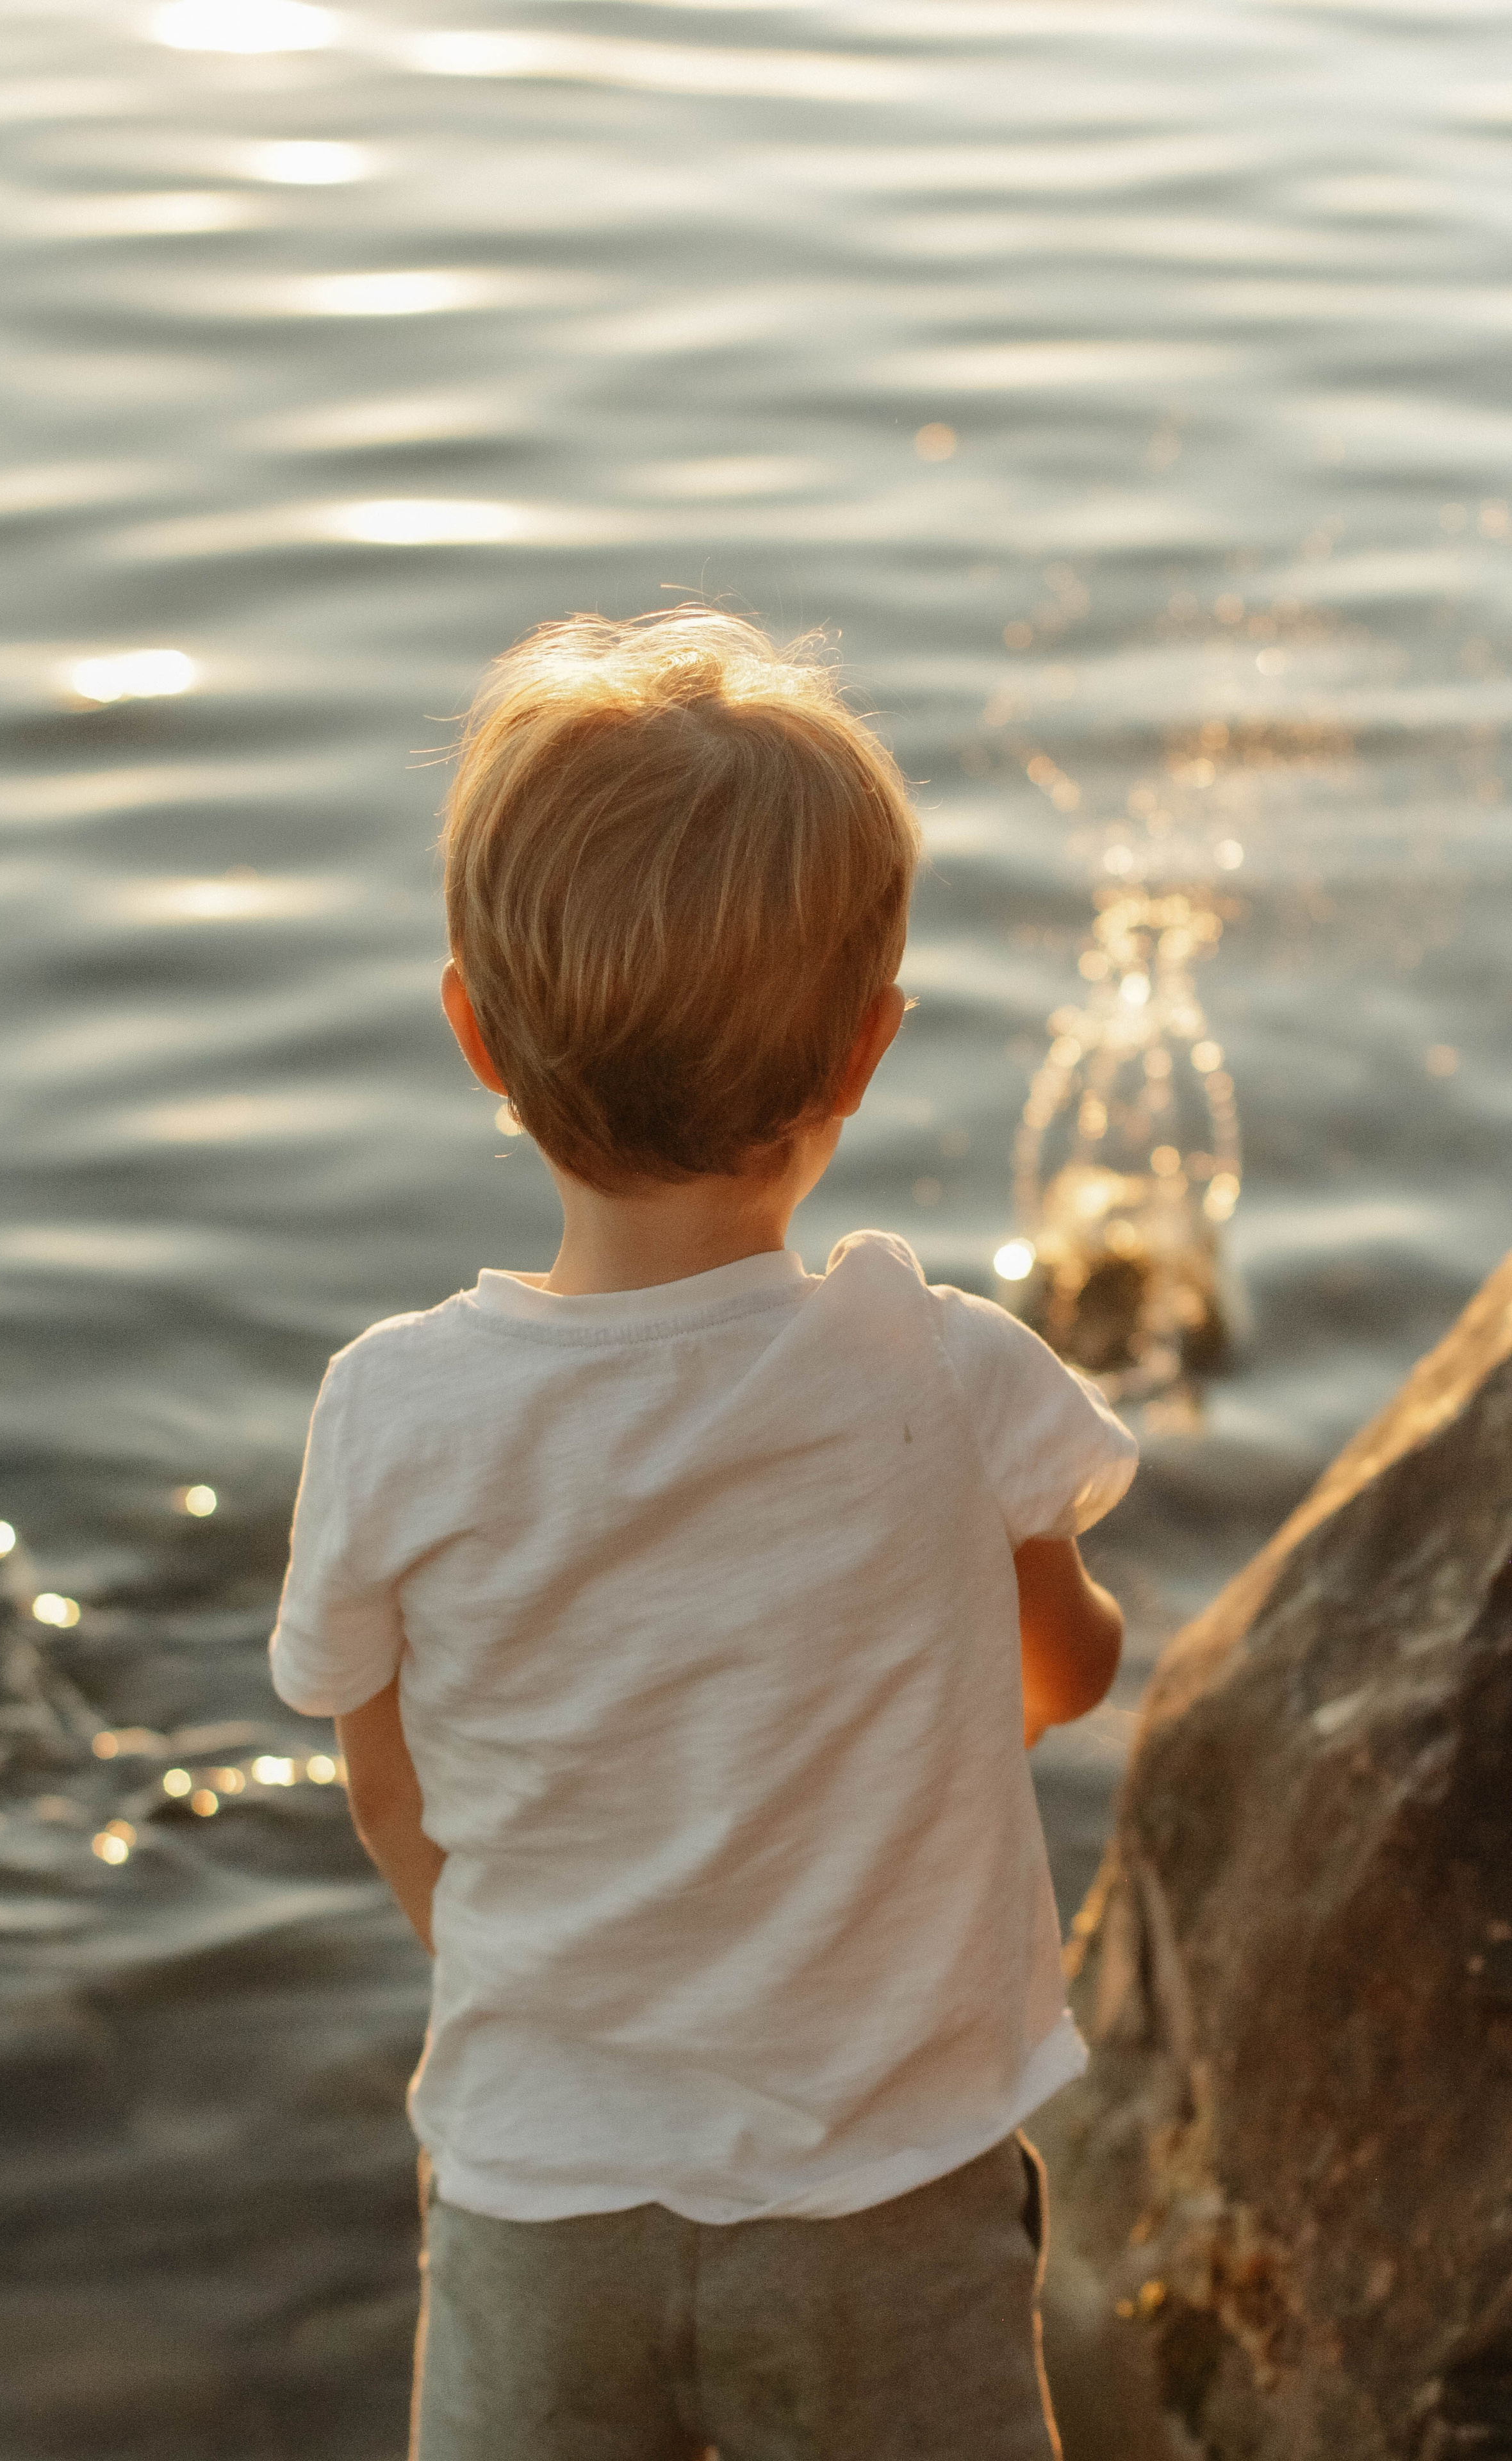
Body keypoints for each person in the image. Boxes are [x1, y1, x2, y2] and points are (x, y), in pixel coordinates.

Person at [269, 608, 1137, 2460]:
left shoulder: (395, 1411)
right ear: (868, 1051)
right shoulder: (948, 1372)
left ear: (472, 1032)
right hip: (888, 2196)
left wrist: (545, 1980)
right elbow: (1063, 1673)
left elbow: (389, 1784)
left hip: (538, 2193)